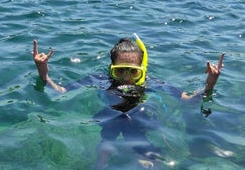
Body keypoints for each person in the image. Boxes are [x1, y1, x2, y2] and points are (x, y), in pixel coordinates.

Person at [32, 34, 225, 169]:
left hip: (139, 120)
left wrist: (209, 85)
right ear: (111, 68)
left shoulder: (151, 82)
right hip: (110, 117)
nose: (126, 78)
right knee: (104, 152)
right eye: (120, 71)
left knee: (149, 158)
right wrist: (43, 73)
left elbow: (188, 100)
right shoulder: (100, 79)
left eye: (133, 72)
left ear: (142, 70)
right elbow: (61, 92)